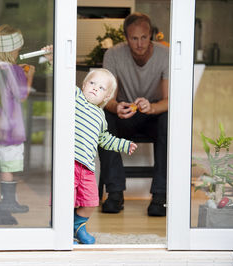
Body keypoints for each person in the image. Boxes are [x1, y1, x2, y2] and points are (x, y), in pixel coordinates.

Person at [98, 12, 169, 217]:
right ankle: (115, 193)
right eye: (134, 38)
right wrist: (116, 107)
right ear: (126, 38)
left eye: (144, 37)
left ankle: (159, 196)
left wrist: (152, 108)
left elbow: (170, 100)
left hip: (154, 114)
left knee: (169, 122)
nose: (139, 43)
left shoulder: (165, 55)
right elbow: (106, 98)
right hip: (125, 113)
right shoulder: (113, 55)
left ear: (151, 36)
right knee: (103, 119)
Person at [74, 69, 137, 244]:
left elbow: (105, 139)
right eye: (92, 83)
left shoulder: (101, 116)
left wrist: (124, 144)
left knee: (91, 201)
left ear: (106, 97)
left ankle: (77, 225)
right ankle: (62, 228)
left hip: (86, 167)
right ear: (84, 85)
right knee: (67, 199)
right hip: (70, 163)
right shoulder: (77, 98)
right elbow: (61, 82)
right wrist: (52, 61)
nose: (95, 88)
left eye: (101, 88)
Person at [0, 24, 35, 213]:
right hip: (10, 128)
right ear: (14, 49)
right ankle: (8, 202)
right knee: (8, 166)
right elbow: (22, 95)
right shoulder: (15, 70)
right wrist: (29, 76)